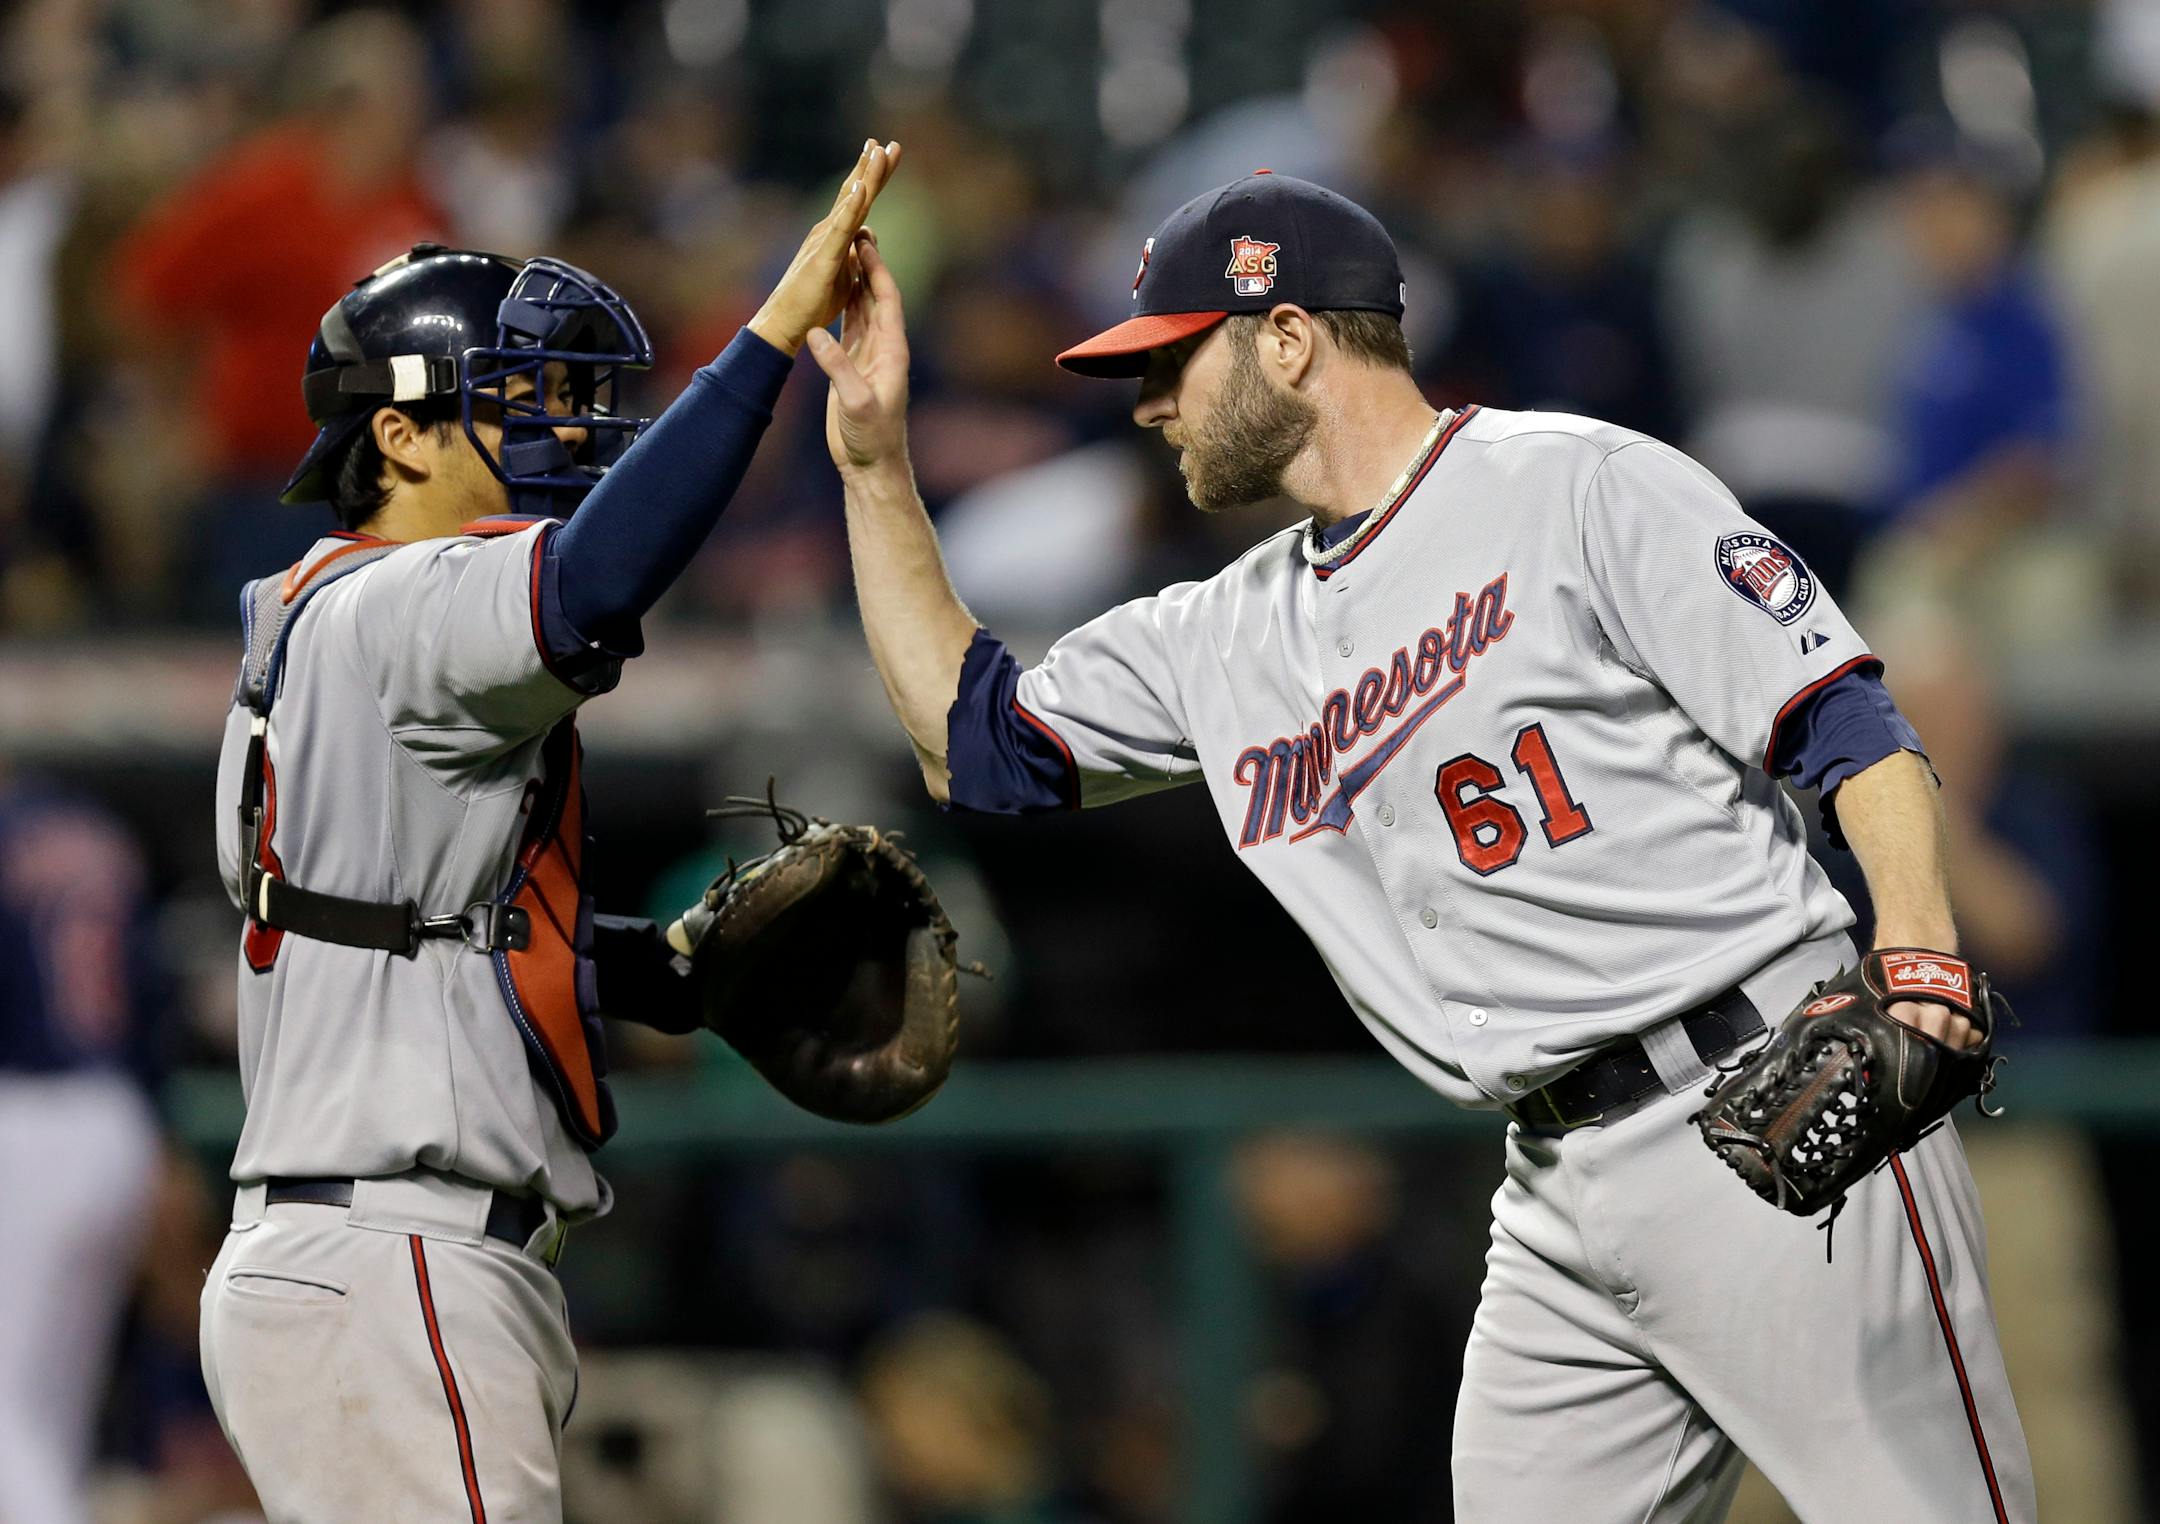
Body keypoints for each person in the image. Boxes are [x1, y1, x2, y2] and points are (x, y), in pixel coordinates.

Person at [808, 170, 2034, 1521]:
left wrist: (1915, 948)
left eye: (1173, 362)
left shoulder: (1577, 483)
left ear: (1287, 341)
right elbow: (969, 744)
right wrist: (873, 463)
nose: (1148, 405)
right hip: (1555, 1180)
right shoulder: (1222, 633)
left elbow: (1843, 717)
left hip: (1770, 1089)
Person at [202, 139, 901, 1522]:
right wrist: (767, 338)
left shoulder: (322, 619)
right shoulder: (409, 603)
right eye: (511, 396)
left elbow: (423, 927)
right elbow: (594, 583)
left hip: (358, 1253)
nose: (561, 424)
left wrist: (649, 967)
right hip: (395, 1250)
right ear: (394, 436)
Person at [0, 768, 166, 1524]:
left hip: (27, 1119)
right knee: (49, 1407)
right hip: (115, 1122)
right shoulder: (103, 834)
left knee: (11, 1407)